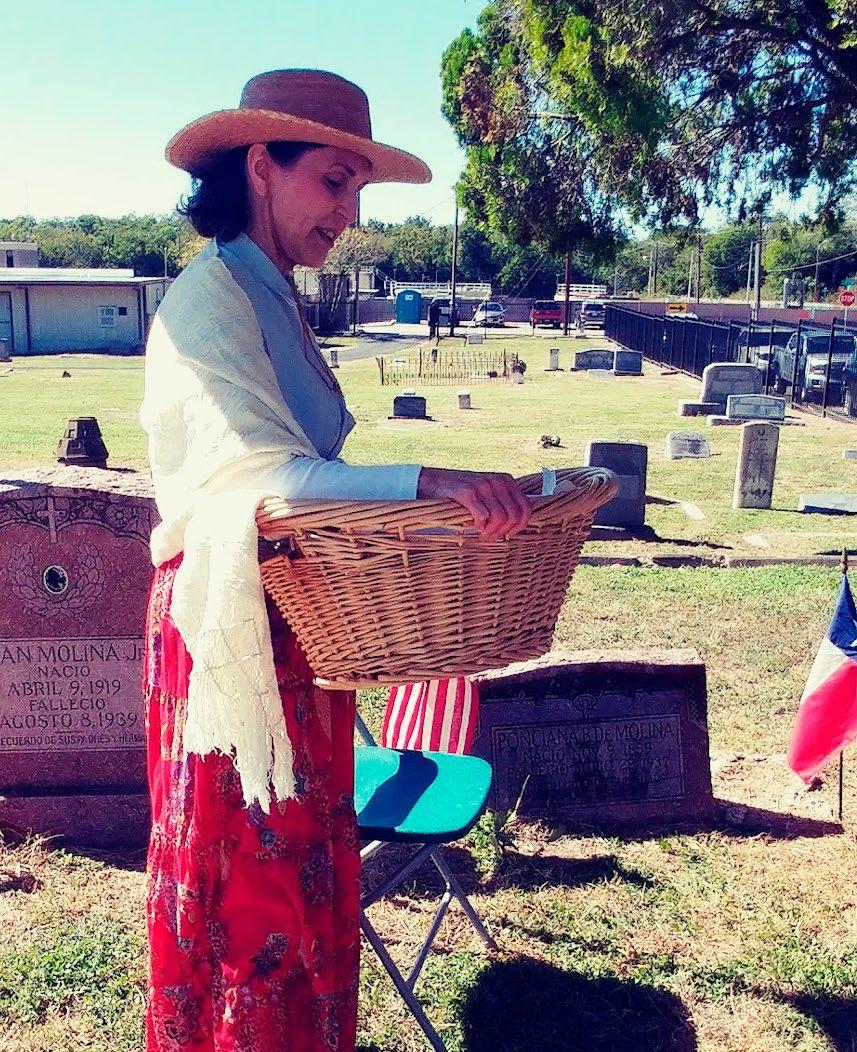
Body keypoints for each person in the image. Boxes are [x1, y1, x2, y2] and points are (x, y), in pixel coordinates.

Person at [140, 69, 532, 1051]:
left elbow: (298, 475)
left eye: (357, 188)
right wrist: (428, 479)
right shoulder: (209, 298)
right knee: (243, 891)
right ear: (259, 166)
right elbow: (258, 478)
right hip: (229, 628)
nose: (349, 213)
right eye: (333, 180)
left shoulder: (270, 296)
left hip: (295, 619)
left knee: (300, 876)